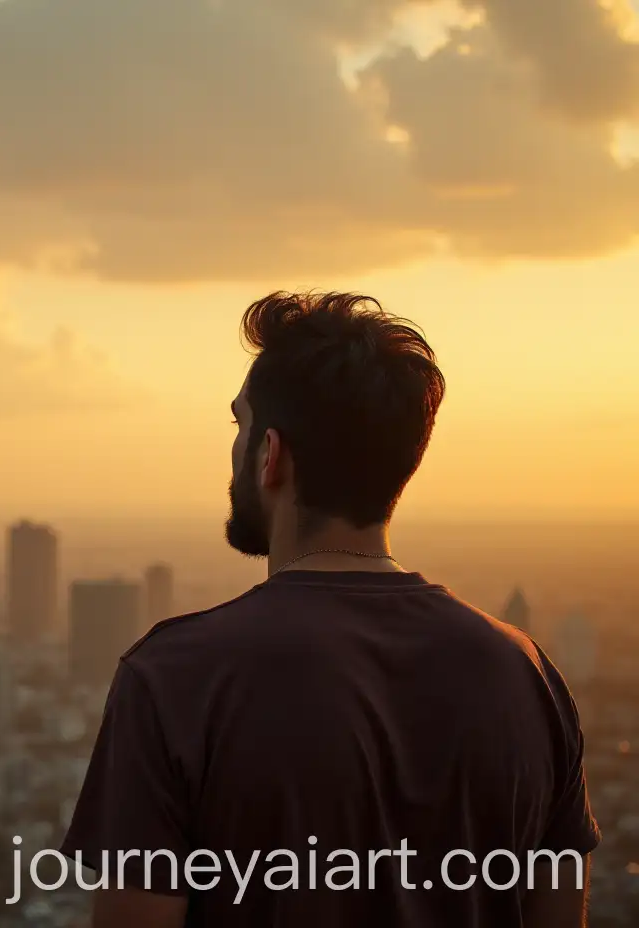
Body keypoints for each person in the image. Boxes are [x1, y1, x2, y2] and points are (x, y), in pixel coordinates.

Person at [59, 292, 599, 927]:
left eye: (241, 426)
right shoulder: (526, 675)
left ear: (271, 456)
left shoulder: (176, 678)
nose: (234, 452)